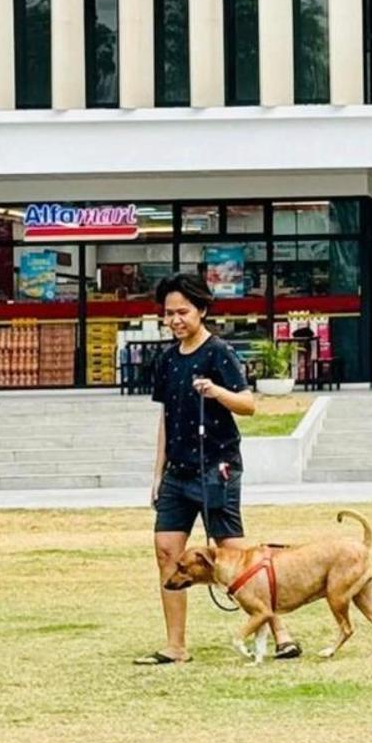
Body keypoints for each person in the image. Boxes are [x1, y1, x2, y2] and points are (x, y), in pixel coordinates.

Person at [136, 272, 259, 665]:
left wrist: (216, 391)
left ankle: (276, 627)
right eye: (168, 313)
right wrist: (158, 473)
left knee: (234, 553)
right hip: (178, 471)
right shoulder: (167, 359)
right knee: (166, 551)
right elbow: (165, 420)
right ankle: (176, 645)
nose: (174, 320)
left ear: (202, 310)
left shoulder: (219, 352)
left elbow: (248, 404)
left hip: (217, 467)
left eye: (182, 312)